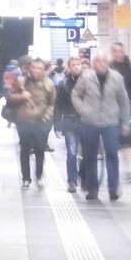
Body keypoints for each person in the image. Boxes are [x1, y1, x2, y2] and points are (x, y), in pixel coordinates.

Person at [72, 52, 131, 201]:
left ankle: (113, 188)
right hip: (89, 122)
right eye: (97, 61)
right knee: (90, 156)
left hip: (110, 122)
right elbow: (75, 94)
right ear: (93, 63)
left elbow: (124, 101)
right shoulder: (86, 77)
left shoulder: (117, 78)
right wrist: (83, 110)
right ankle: (92, 189)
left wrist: (125, 121)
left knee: (112, 154)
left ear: (108, 62)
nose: (100, 64)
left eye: (103, 61)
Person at [9, 58, 55, 188]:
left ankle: (39, 175)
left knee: (39, 149)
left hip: (40, 122)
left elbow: (52, 103)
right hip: (23, 121)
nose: (36, 70)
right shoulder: (21, 82)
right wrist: (21, 96)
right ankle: (26, 178)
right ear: (30, 68)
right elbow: (11, 97)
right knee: (24, 150)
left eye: (39, 68)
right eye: (34, 67)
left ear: (43, 70)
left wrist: (46, 118)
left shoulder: (49, 84)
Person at [111, 43, 131, 179]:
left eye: (121, 51)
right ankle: (113, 169)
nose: (119, 53)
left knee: (127, 139)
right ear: (112, 53)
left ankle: (129, 170)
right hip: (110, 109)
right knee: (111, 140)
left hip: (126, 109)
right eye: (116, 51)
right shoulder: (108, 67)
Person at [53, 55, 85, 192]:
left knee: (86, 152)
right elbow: (58, 105)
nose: (77, 67)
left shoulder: (89, 81)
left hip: (86, 121)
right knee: (71, 152)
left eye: (79, 64)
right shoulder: (63, 84)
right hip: (70, 121)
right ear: (69, 67)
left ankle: (84, 177)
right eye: (74, 65)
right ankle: (72, 181)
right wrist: (57, 126)